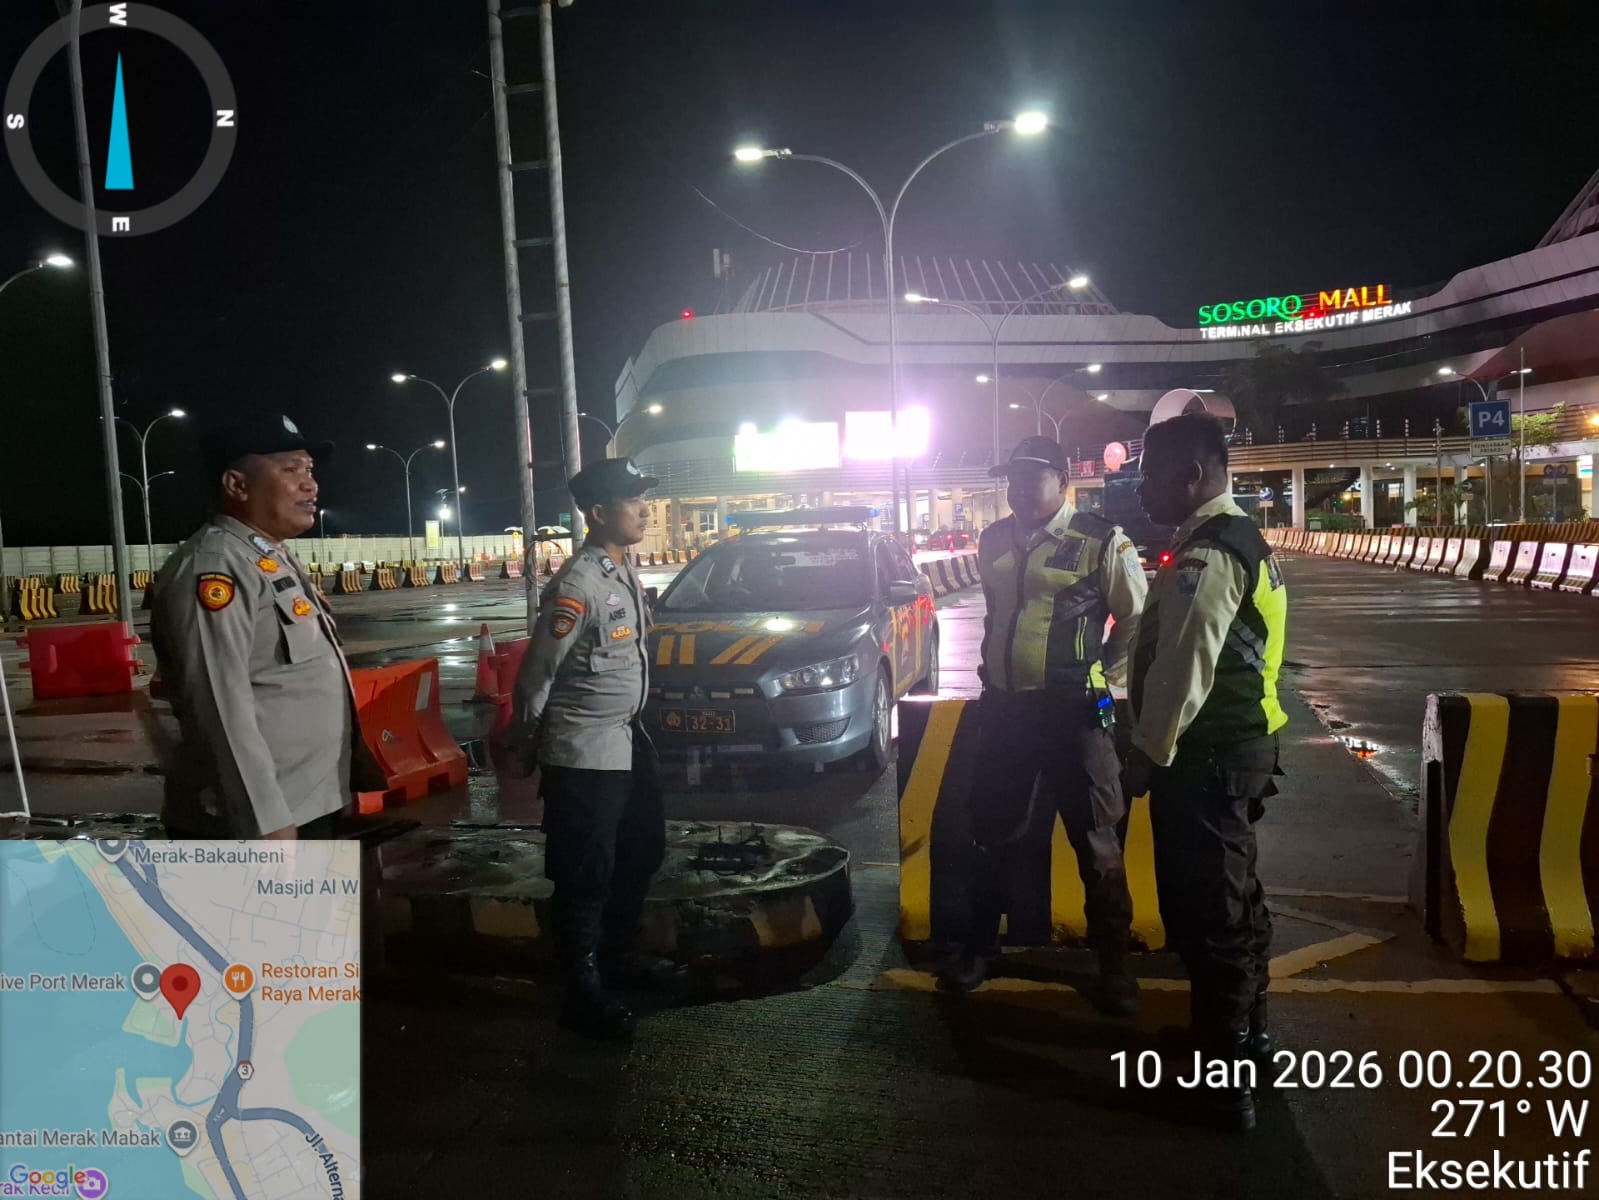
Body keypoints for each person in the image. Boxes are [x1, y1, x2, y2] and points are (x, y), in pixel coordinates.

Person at [939, 435, 1148, 1017]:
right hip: (1006, 712)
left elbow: (1135, 617)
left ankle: (1114, 967)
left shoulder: (1102, 540)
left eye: (1033, 477)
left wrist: (1102, 672)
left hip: (1075, 714)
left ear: (1063, 481)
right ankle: (980, 949)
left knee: (1097, 841)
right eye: (1013, 478)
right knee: (991, 834)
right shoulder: (993, 539)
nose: (1020, 489)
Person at [1121, 412, 1288, 1133]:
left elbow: (1182, 668)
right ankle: (1244, 1042)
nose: (1140, 493)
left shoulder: (1210, 553)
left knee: (1211, 916)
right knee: (1236, 903)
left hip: (1207, 755)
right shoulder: (1235, 537)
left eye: (1148, 478)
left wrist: (1145, 753)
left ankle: (1224, 1084)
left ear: (1190, 474)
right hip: (1234, 750)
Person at [152, 413, 383, 840]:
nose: (310, 485)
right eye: (291, 470)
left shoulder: (267, 556)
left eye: (309, 470)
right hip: (261, 819)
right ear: (237, 485)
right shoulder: (216, 565)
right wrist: (264, 820)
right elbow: (218, 704)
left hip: (306, 803)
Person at [511, 456, 679, 1039]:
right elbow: (536, 677)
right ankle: (581, 993)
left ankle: (618, 958)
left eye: (644, 498)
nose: (644, 510)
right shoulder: (578, 585)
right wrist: (527, 744)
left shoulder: (621, 570)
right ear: (601, 512)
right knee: (586, 872)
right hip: (584, 751)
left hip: (627, 738)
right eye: (633, 501)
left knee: (642, 848)